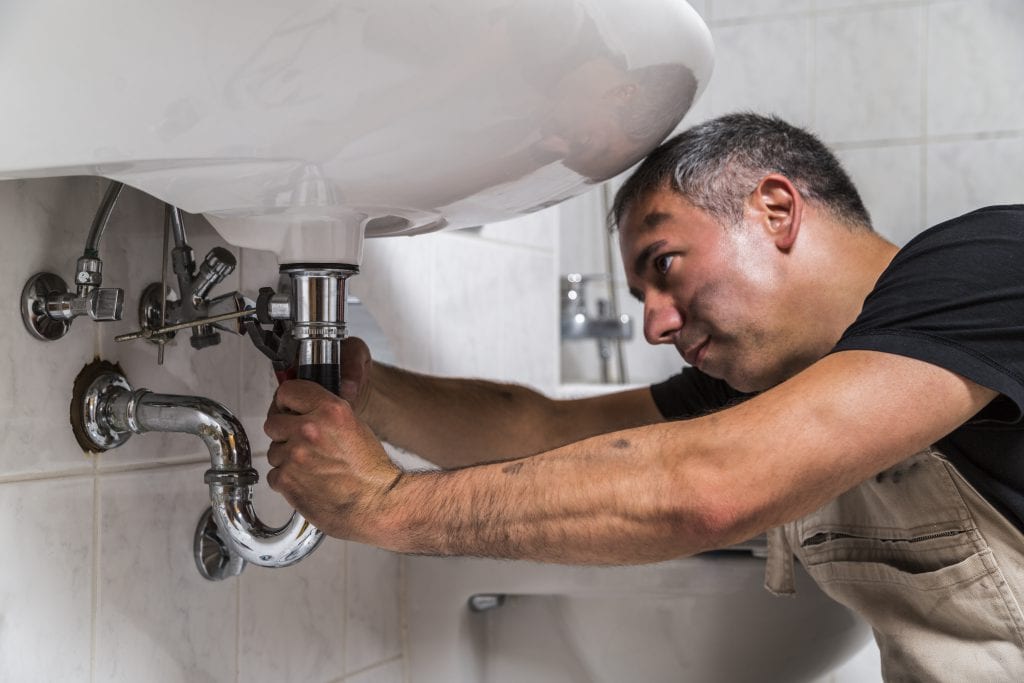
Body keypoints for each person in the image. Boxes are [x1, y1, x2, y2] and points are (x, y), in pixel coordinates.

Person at [264, 113, 1024, 679]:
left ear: (777, 209)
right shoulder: (769, 383)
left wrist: (383, 502)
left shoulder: (986, 266)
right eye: (641, 294)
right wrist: (366, 396)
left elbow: (708, 486)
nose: (656, 323)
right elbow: (544, 431)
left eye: (666, 263)